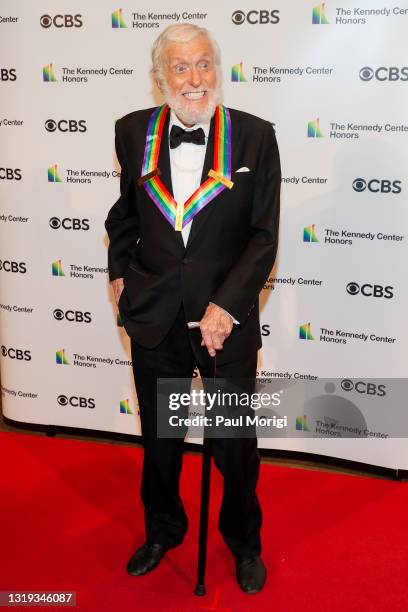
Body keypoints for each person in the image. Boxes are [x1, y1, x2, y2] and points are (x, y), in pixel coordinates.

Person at [104, 23, 281, 594]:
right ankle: (163, 531)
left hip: (224, 325)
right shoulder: (131, 132)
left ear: (218, 69)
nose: (195, 79)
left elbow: (262, 237)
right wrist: (117, 274)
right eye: (181, 68)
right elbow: (125, 215)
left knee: (234, 447)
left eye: (204, 64)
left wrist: (226, 307)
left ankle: (244, 543)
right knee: (160, 441)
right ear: (161, 78)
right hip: (156, 318)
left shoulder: (255, 137)